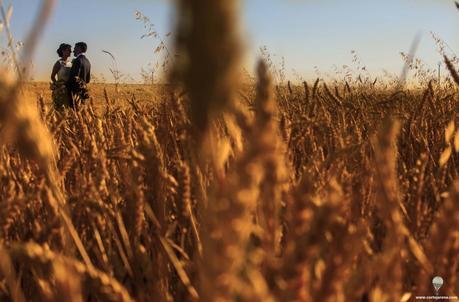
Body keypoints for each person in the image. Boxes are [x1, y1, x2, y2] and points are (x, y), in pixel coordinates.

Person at [67, 42, 91, 108]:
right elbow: (88, 80)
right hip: (83, 92)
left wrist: (65, 86)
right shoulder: (88, 62)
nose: (73, 50)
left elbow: (74, 78)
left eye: (75, 48)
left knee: (74, 113)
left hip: (75, 93)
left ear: (79, 49)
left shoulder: (77, 61)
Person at [50, 43, 73, 110]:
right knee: (60, 110)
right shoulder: (58, 63)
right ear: (63, 51)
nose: (70, 52)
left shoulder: (71, 63)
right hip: (60, 91)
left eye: (70, 50)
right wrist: (57, 86)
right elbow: (52, 76)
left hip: (69, 90)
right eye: (68, 50)